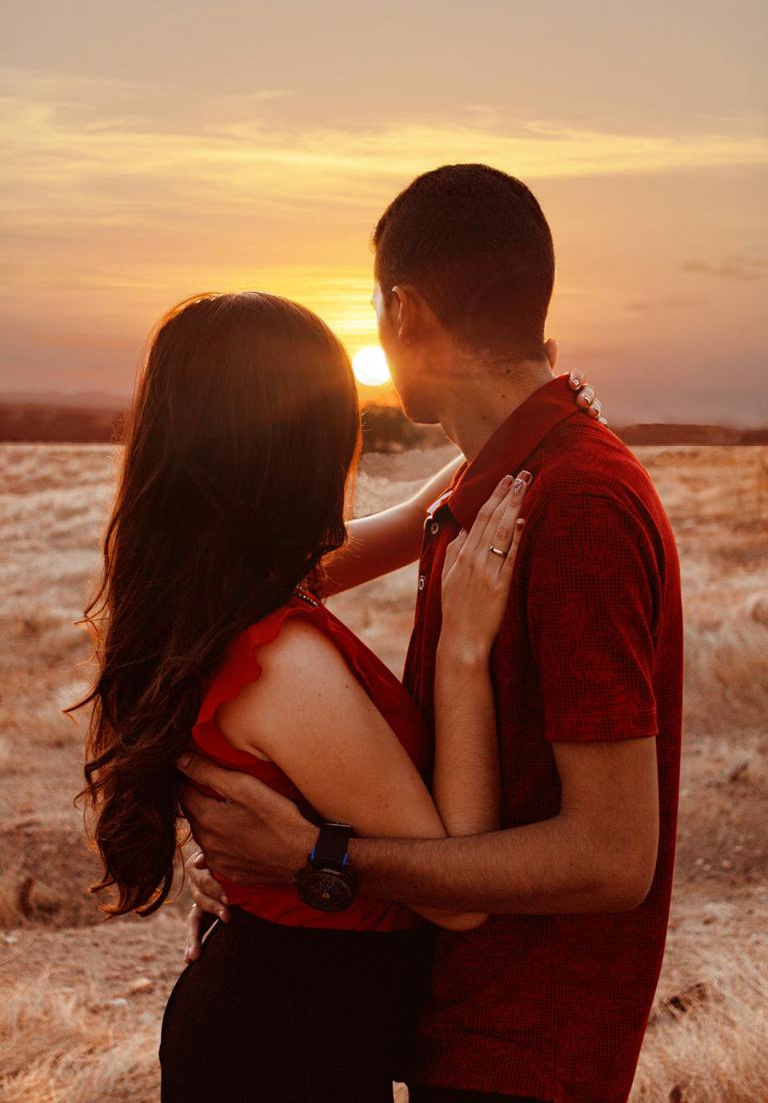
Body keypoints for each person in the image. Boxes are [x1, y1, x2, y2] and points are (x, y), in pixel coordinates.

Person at [180, 164, 684, 1103]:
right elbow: (250, 583)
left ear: (404, 312)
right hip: (455, 1023)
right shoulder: (505, 479)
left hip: (527, 1049)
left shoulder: (578, 507)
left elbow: (617, 858)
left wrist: (313, 859)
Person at [72, 287, 597, 1102]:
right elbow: (454, 898)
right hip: (284, 1055)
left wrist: (525, 419)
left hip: (277, 1031)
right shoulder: (283, 663)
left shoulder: (208, 594)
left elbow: (411, 519)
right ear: (298, 447)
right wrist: (462, 652)